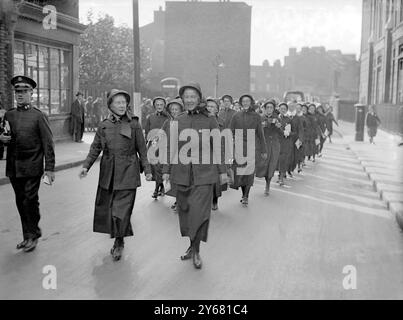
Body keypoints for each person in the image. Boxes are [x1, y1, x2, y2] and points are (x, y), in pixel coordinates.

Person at [79, 89, 152, 261]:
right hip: (109, 173)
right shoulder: (104, 125)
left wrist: (147, 171)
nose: (121, 105)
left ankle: (119, 242)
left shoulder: (133, 124)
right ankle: (119, 236)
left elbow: (142, 149)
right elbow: (95, 148)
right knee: (110, 210)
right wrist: (85, 166)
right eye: (117, 102)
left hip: (128, 172)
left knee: (122, 210)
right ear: (110, 105)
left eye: (123, 102)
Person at [162, 82, 229, 269]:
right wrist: (166, 170)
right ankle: (191, 245)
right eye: (186, 97)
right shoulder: (178, 120)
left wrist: (222, 171)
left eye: (193, 96)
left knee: (199, 213)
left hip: (204, 175)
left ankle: (196, 249)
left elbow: (218, 146)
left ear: (199, 98)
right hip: (181, 174)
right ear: (182, 100)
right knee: (184, 211)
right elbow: (170, 147)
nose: (190, 100)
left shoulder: (210, 120)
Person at [0, 75, 55, 252]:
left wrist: (49, 169)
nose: (20, 95)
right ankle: (27, 236)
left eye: (24, 91)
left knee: (30, 201)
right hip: (14, 167)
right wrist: (1, 138)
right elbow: (4, 136)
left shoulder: (39, 116)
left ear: (32, 93)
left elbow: (48, 143)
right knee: (20, 202)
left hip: (32, 166)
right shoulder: (9, 114)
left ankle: (33, 235)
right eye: (18, 92)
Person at [229, 94, 267, 206]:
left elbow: (260, 134)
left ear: (251, 103)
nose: (245, 103)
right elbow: (230, 132)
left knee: (249, 173)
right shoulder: (236, 116)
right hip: (239, 148)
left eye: (248, 101)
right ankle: (243, 193)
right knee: (239, 173)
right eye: (243, 101)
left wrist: (263, 150)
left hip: (252, 147)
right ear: (241, 103)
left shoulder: (256, 116)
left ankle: (246, 196)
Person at [144, 97, 170, 199]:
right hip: (153, 146)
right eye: (157, 105)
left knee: (160, 168)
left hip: (164, 146)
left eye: (161, 105)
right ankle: (161, 186)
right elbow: (147, 132)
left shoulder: (168, 118)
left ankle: (156, 189)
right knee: (155, 168)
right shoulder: (150, 117)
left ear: (164, 105)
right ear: (154, 106)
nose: (159, 107)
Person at [163, 98, 185, 212]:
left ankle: (181, 201)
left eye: (177, 109)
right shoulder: (167, 122)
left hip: (184, 155)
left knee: (182, 179)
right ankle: (178, 200)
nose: (174, 111)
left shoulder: (185, 122)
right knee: (173, 178)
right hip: (170, 153)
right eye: (172, 109)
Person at [206, 97, 228, 211]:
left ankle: (215, 200)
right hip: (203, 153)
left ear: (217, 110)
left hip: (217, 153)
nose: (209, 108)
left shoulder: (221, 122)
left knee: (216, 179)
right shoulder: (201, 120)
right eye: (208, 106)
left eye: (212, 107)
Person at [255, 100, 281, 195]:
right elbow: (256, 132)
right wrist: (262, 126)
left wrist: (279, 127)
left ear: (274, 109)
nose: (269, 109)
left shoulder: (277, 119)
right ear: (264, 109)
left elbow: (282, 134)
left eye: (271, 108)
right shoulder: (260, 118)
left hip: (274, 145)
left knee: (271, 165)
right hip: (263, 144)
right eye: (268, 107)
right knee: (262, 164)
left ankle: (268, 185)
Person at [277, 102, 292, 186]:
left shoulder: (288, 120)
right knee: (277, 160)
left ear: (286, 110)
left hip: (285, 143)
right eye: (281, 109)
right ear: (278, 109)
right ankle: (279, 175)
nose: (283, 110)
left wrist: (280, 129)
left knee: (283, 160)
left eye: (284, 109)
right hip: (275, 142)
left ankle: (281, 178)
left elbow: (287, 133)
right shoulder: (274, 118)